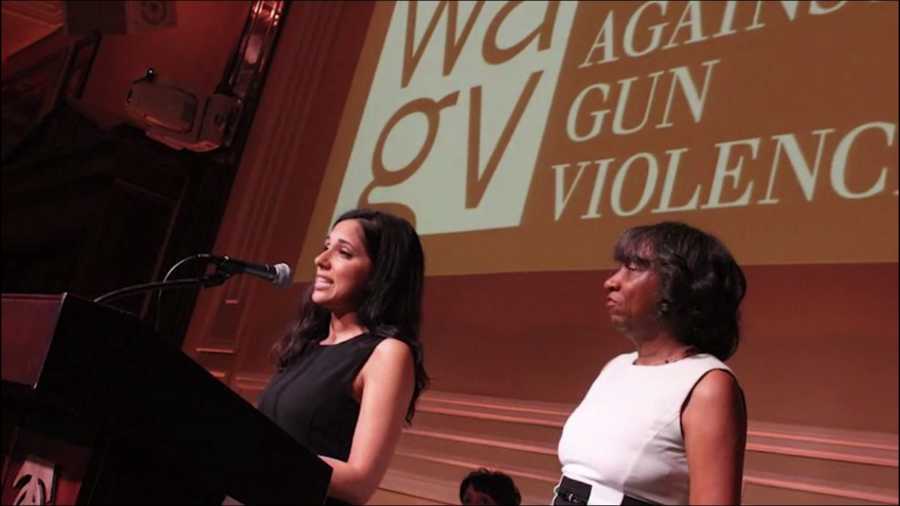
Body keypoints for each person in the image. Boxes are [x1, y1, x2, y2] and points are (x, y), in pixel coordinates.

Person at [555, 222, 748, 505]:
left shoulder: (707, 385)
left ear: (680, 285)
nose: (611, 281)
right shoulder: (616, 367)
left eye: (633, 268)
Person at [257, 208, 428, 505]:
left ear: (380, 275)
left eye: (344, 253)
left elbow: (359, 482)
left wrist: (254, 453)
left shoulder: (387, 353)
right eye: (325, 247)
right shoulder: (308, 344)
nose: (320, 260)